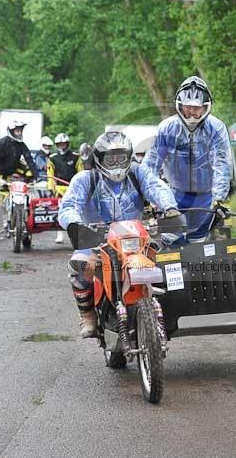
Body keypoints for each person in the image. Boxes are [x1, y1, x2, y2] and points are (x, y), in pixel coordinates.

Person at [58, 131, 179, 337]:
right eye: (110, 158)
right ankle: (87, 314)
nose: (116, 163)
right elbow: (69, 206)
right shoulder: (86, 179)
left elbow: (156, 187)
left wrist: (170, 208)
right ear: (99, 157)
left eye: (121, 157)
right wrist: (74, 223)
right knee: (80, 265)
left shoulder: (137, 173)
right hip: (96, 238)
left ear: (129, 156)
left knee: (173, 261)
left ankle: (171, 308)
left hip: (137, 238)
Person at [143, 75, 232, 242]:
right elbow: (151, 164)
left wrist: (219, 198)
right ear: (180, 105)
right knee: (172, 247)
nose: (192, 113)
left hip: (205, 198)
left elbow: (222, 162)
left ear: (206, 107)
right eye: (188, 107)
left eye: (197, 108)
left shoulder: (216, 128)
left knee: (197, 248)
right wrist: (149, 196)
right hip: (174, 197)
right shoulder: (168, 128)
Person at [48, 132, 82, 243]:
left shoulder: (76, 157)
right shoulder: (52, 158)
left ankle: (77, 234)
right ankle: (60, 234)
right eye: (60, 144)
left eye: (64, 144)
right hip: (59, 188)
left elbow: (81, 173)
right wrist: (50, 187)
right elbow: (50, 175)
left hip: (72, 188)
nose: (62, 146)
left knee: (77, 210)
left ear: (67, 144)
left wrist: (80, 187)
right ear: (57, 145)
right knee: (59, 210)